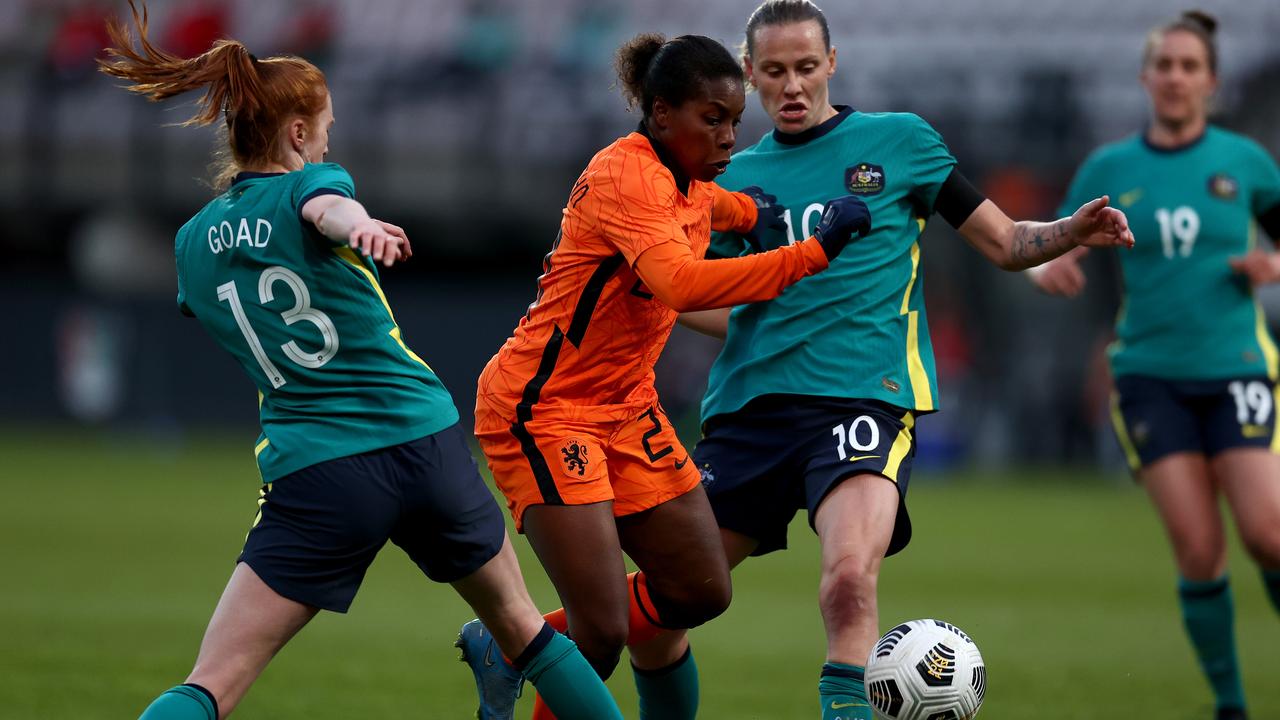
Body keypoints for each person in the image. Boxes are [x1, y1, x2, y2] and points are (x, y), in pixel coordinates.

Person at [97, 3, 623, 719]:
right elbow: (322, 206)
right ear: (296, 133)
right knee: (525, 628)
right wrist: (360, 224)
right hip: (422, 441)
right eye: (324, 130)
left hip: (319, 468)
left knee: (213, 681)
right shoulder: (315, 185)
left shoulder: (191, 244)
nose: (326, 144)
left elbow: (224, 295)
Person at [627, 2, 1138, 719]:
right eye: (774, 71)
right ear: (748, 76)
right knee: (666, 604)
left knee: (847, 582)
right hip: (752, 410)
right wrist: (760, 307)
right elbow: (689, 296)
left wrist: (1066, 230)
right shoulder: (726, 180)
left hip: (864, 398)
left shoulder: (900, 143)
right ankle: (541, 641)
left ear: (832, 62)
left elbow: (1005, 241)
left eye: (807, 67)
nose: (794, 85)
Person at [465, 31, 872, 720]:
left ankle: (507, 648)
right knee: (601, 635)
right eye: (711, 119)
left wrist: (754, 213)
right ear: (661, 115)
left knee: (700, 590)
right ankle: (520, 646)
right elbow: (679, 284)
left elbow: (715, 206)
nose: (728, 136)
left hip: (625, 407)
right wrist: (811, 250)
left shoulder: (688, 178)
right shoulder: (628, 175)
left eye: (734, 122)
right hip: (544, 408)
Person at [1031, 11, 1280, 720]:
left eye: (1188, 66)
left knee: (1268, 534)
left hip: (1236, 366)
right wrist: (1045, 271)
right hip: (1147, 374)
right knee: (1200, 552)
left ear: (1212, 82)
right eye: (1163, 65)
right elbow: (1044, 243)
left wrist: (1273, 263)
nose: (1174, 77)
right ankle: (1231, 706)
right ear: (1145, 78)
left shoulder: (1246, 163)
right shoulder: (1111, 169)